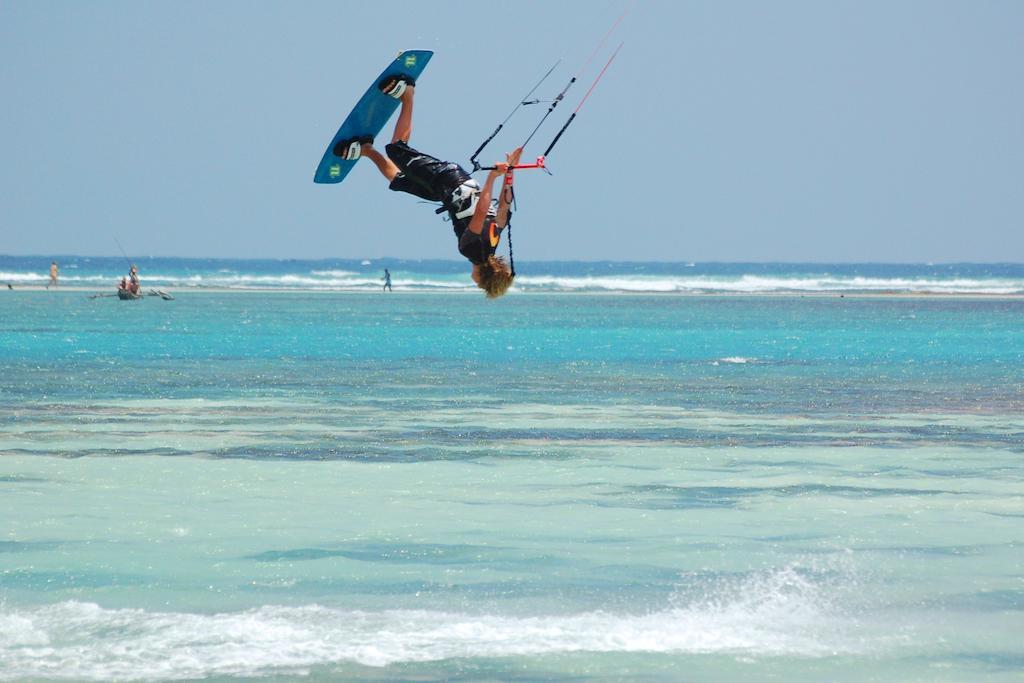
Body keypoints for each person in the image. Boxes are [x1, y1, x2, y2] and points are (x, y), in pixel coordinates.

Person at [335, 76, 520, 298]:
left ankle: (366, 149)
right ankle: (408, 95)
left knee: (398, 181)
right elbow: (482, 211)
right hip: (449, 180)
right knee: (396, 149)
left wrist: (509, 173)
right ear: (484, 277)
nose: (476, 285)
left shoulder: (492, 244)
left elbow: (503, 211)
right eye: (481, 286)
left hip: (445, 193)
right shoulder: (471, 250)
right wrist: (492, 176)